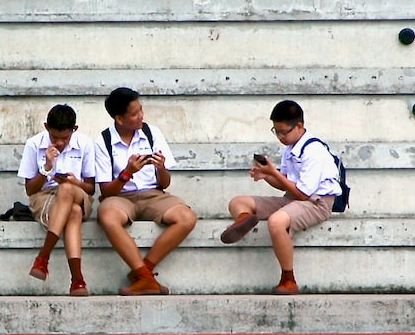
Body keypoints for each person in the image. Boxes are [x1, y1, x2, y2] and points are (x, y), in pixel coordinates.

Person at [219, 99, 342, 295]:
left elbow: (303, 193)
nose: (280, 137)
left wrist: (274, 174)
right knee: (238, 202)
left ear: (299, 126)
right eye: (276, 131)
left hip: (316, 203)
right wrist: (266, 176)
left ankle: (288, 279)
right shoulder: (290, 148)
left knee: (276, 221)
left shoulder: (313, 150)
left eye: (284, 132)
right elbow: (285, 183)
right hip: (293, 198)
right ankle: (244, 219)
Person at [93, 87, 197, 295]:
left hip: (153, 194)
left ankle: (143, 274)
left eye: (141, 110)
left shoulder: (151, 133)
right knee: (107, 216)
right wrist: (127, 173)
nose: (141, 116)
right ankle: (146, 278)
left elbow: (165, 183)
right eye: (134, 113)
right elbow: (106, 190)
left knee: (187, 217)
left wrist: (161, 167)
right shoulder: (103, 141)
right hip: (121, 197)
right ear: (120, 119)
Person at [18, 104, 98, 296]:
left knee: (68, 189)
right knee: (73, 212)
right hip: (45, 198)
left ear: (74, 130)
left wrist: (74, 181)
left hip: (78, 194)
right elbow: (30, 190)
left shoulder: (85, 144)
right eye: (54, 137)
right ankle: (77, 280)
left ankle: (43, 257)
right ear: (46, 127)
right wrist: (46, 168)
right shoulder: (34, 144)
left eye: (65, 137)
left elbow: (91, 188)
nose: (60, 142)